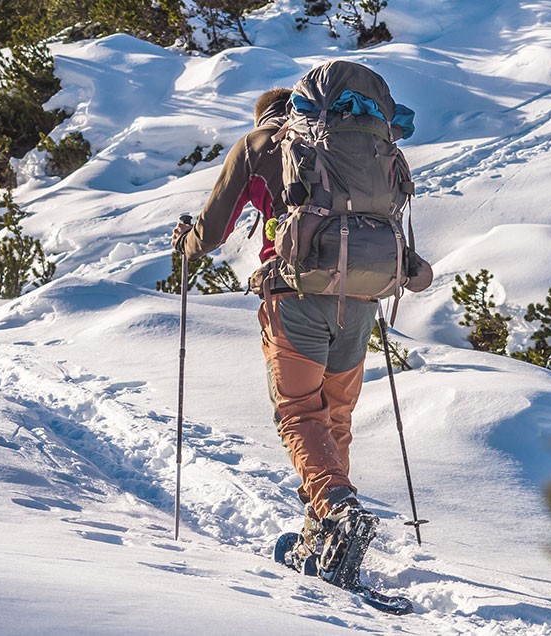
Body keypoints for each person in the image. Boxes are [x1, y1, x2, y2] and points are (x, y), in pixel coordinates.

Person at [172, 86, 424, 579]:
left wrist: (186, 243)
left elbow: (212, 231)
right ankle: (323, 535)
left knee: (300, 412)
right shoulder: (356, 145)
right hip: (361, 297)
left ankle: (337, 508)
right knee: (334, 416)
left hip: (295, 297)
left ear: (264, 116)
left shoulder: (258, 146)